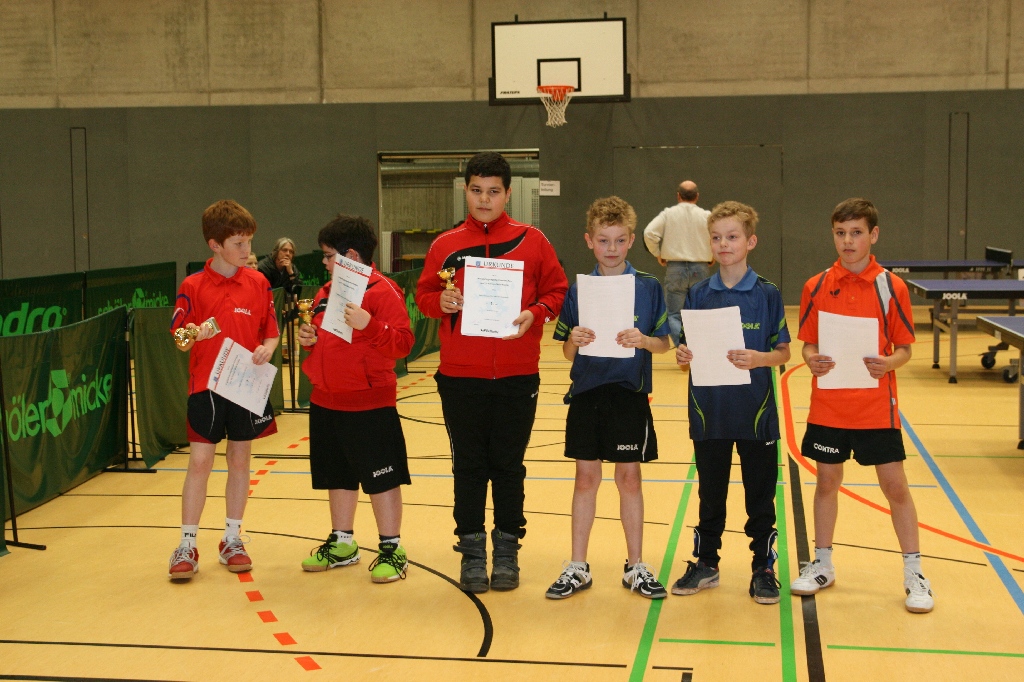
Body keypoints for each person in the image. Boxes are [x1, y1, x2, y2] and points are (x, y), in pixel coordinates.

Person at [415, 151, 567, 593]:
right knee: (468, 465)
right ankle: (471, 551)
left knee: (508, 466)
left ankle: (506, 551)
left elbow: (557, 291)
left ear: (508, 193)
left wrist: (535, 312)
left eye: (493, 191)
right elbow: (424, 296)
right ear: (466, 191)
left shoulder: (532, 240)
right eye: (477, 190)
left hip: (518, 375)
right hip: (460, 375)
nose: (485, 199)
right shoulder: (445, 245)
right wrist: (439, 302)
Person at [790, 198, 934, 614]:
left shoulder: (892, 287)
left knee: (895, 488)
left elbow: (904, 349)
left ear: (873, 235)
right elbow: (809, 343)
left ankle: (915, 574)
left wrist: (888, 363)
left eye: (856, 233)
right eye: (840, 233)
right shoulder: (816, 285)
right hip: (829, 407)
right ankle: (822, 564)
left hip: (875, 408)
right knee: (827, 483)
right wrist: (811, 359)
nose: (847, 241)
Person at [545, 196, 671, 600]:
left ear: (631, 240)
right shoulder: (579, 289)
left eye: (619, 240)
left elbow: (665, 343)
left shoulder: (648, 287)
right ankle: (577, 566)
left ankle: (636, 566)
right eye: (603, 240)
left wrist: (644, 340)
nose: (611, 248)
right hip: (586, 394)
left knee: (629, 478)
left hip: (628, 395)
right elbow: (567, 352)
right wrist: (575, 340)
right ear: (589, 241)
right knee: (585, 478)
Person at [669, 201, 791, 605]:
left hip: (756, 414)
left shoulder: (767, 293)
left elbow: (784, 352)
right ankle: (707, 562)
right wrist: (682, 355)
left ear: (750, 241)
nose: (724, 244)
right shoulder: (698, 293)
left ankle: (763, 568)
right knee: (710, 495)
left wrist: (759, 359)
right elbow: (685, 353)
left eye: (732, 236)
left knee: (760, 497)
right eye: (717, 237)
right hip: (710, 412)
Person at [297, 215, 415, 583]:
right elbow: (324, 338)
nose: (324, 262)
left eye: (328, 255)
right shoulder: (325, 292)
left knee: (381, 478)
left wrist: (370, 325)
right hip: (326, 400)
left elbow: (403, 343)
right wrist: (309, 340)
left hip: (369, 403)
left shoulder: (383, 291)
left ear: (350, 255)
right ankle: (343, 543)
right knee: (338, 474)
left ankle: (392, 549)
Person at [168, 200, 280, 581]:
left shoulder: (259, 283)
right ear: (215, 245)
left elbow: (271, 331)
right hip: (206, 387)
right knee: (200, 462)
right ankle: (186, 544)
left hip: (245, 386)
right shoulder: (192, 286)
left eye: (249, 242)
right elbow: (179, 339)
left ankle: (232, 539)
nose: (247, 250)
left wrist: (268, 348)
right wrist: (196, 333)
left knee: (240, 459)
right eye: (238, 243)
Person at [643, 181, 712, 346]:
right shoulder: (707, 216)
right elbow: (717, 236)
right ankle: (699, 349)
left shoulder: (668, 214)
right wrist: (711, 255)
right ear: (697, 196)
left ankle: (683, 347)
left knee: (673, 314)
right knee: (701, 313)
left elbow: (649, 233)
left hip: (675, 268)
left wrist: (658, 253)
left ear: (678, 196)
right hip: (700, 267)